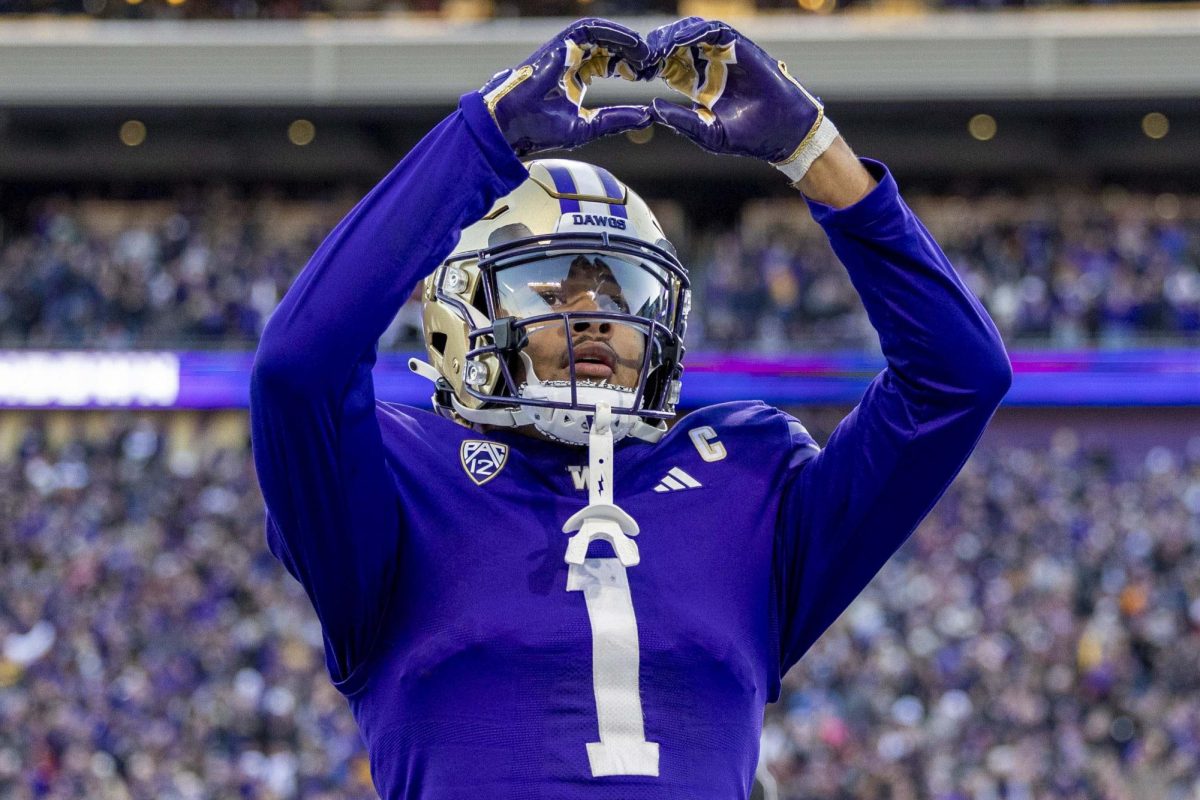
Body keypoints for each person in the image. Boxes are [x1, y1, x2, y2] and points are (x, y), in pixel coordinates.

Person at [249, 16, 1011, 800]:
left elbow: (959, 377)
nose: (597, 315)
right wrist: (479, 139)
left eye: (622, 291)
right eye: (551, 287)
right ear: (457, 309)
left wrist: (815, 155)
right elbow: (298, 366)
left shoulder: (746, 475)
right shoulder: (402, 476)